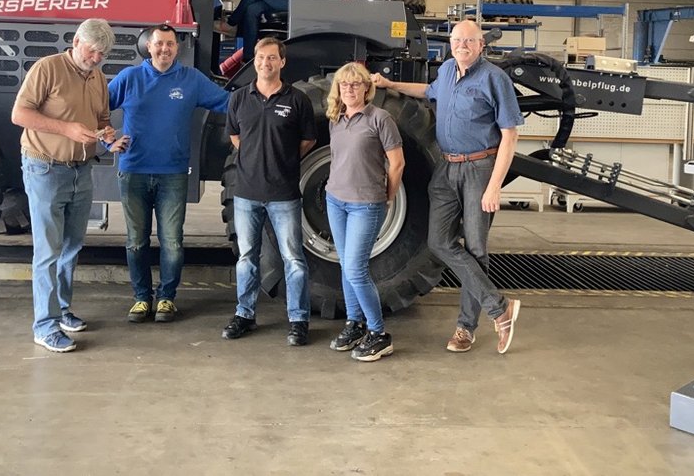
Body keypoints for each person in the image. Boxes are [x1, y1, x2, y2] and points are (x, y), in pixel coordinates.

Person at [370, 19, 525, 355]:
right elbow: (427, 91)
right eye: (457, 40)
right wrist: (389, 83)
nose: (462, 46)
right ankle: (500, 307)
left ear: (481, 44)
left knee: (476, 249)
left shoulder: (494, 78)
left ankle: (466, 328)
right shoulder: (447, 71)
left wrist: (494, 186)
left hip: (479, 169)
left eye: (469, 41)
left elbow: (510, 136)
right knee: (438, 242)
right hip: (446, 168)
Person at [108, 24, 229, 323]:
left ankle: (166, 298)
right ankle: (141, 298)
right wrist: (107, 140)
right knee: (136, 242)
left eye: (170, 44)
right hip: (134, 172)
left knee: (172, 242)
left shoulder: (191, 80)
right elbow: (96, 106)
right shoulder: (129, 78)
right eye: (159, 43)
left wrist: (264, 97)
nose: (165, 49)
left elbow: (228, 102)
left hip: (172, 174)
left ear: (178, 47)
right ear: (148, 47)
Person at [11, 18, 116, 353]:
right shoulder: (47, 69)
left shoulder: (98, 78)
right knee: (48, 250)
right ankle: (44, 326)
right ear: (76, 42)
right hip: (45, 168)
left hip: (80, 171)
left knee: (71, 245)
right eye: (92, 51)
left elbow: (102, 119)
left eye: (102, 54)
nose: (96, 58)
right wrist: (66, 129)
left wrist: (108, 136)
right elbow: (19, 115)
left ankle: (62, 310)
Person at [222, 37, 317, 346]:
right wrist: (254, 158)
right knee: (247, 257)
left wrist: (281, 160)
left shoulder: (297, 100)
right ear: (255, 60)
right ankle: (244, 314)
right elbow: (235, 136)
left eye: (272, 58)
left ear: (282, 62)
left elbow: (308, 140)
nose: (266, 63)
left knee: (293, 258)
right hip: (246, 194)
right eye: (261, 57)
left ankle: (298, 320)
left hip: (283, 194)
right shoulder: (239, 98)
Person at [325, 62, 405, 362]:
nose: (349, 89)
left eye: (355, 84)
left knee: (356, 270)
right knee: (345, 266)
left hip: (366, 204)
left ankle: (379, 333)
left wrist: (388, 196)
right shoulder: (336, 118)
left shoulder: (380, 118)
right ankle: (354, 324)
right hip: (336, 201)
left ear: (366, 88)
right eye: (344, 84)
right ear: (338, 89)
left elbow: (397, 163)